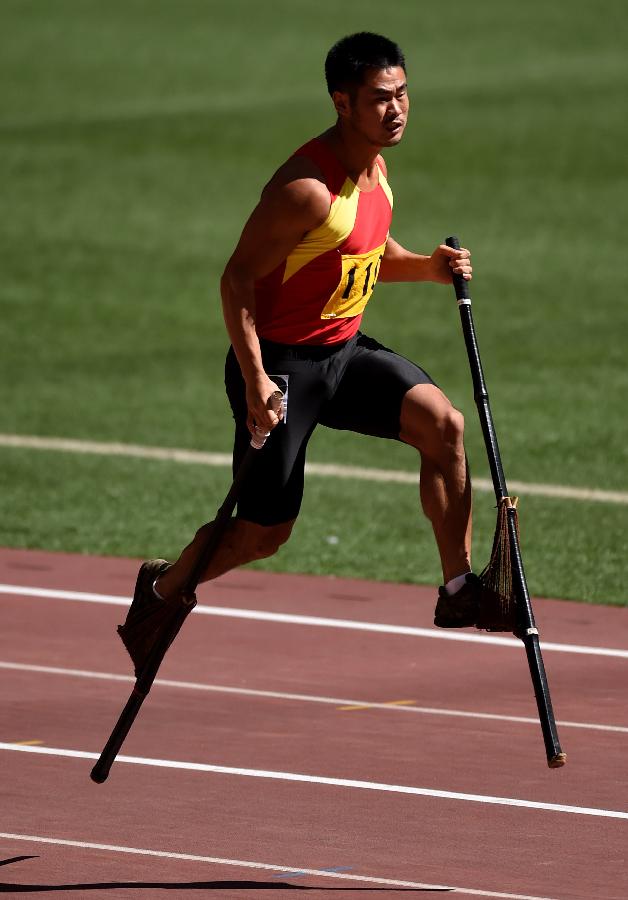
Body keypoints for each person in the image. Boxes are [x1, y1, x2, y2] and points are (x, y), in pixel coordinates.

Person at [134, 31, 481, 630]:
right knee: (264, 533)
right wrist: (255, 380)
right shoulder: (305, 191)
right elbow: (237, 280)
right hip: (281, 367)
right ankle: (162, 593)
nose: (396, 109)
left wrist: (427, 268)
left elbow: (361, 251)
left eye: (402, 94)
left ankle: (459, 589)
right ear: (342, 102)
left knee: (445, 425)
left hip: (342, 355)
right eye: (380, 98)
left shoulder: (375, 167)